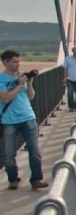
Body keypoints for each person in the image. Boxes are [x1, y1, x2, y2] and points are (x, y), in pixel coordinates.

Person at [1, 50, 48, 191]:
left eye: (19, 61)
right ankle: (13, 179)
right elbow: (6, 98)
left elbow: (31, 96)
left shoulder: (21, 77)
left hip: (28, 117)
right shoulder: (1, 79)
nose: (18, 64)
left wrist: (30, 83)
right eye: (14, 62)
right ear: (5, 62)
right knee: (9, 153)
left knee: (34, 151)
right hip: (9, 120)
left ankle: (36, 179)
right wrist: (20, 85)